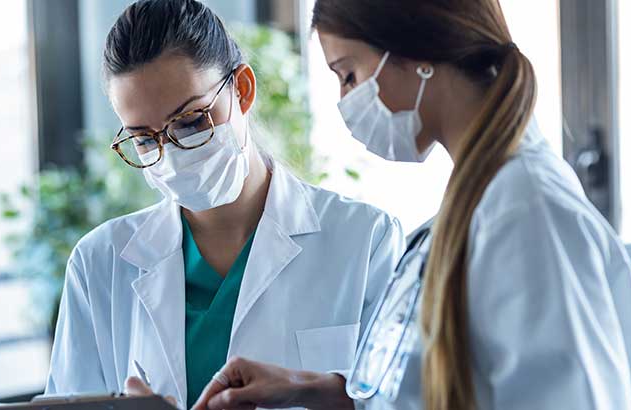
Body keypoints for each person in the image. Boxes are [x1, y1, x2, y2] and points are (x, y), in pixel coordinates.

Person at [191, 0, 631, 409]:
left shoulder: (526, 213)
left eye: (349, 74)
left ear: (417, 53)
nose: (345, 100)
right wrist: (312, 388)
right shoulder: (478, 203)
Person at [43, 1, 407, 409]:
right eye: (145, 139)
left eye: (192, 121)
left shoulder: (366, 240)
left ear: (243, 90)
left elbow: (412, 399)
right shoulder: (100, 264)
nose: (173, 153)